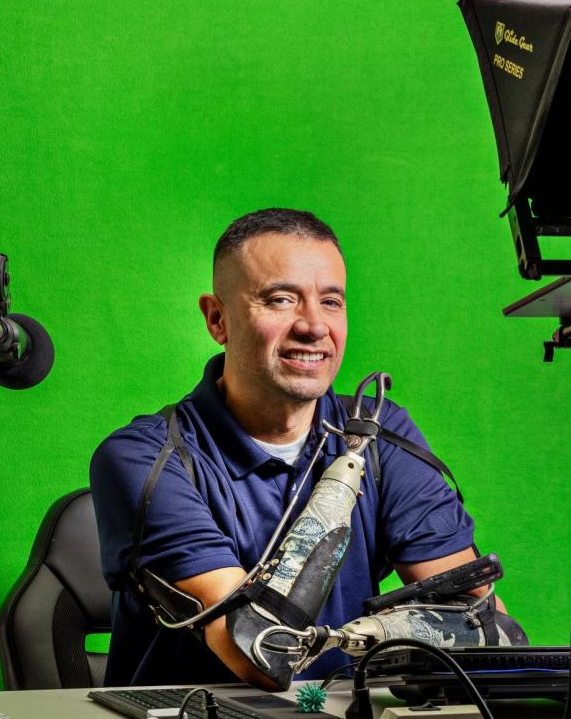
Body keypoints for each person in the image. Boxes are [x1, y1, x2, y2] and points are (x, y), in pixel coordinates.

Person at [91, 208, 511, 688]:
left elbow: (489, 629)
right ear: (217, 319)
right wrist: (396, 633)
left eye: (331, 302)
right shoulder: (142, 457)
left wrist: (374, 635)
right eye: (281, 299)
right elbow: (261, 652)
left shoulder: (380, 432)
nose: (314, 326)